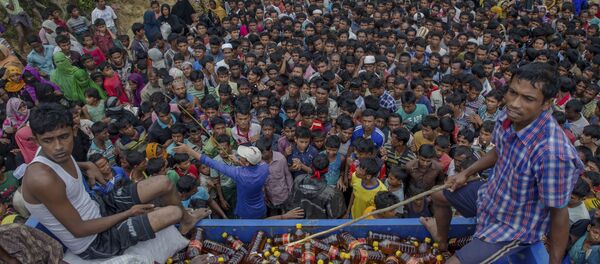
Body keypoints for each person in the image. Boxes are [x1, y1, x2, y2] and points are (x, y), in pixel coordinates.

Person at [424, 63, 585, 263]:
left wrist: (554, 262)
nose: (515, 103)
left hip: (515, 226)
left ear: (546, 104)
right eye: (512, 93)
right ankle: (441, 240)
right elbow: (499, 150)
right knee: (437, 195)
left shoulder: (553, 154)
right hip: (491, 196)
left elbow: (559, 214)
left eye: (528, 98)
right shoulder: (509, 115)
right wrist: (465, 173)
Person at [20, 103, 209, 260]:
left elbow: (61, 163)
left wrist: (87, 165)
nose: (58, 147)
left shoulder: (57, 155)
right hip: (94, 241)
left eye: (63, 137)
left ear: (74, 130)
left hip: (100, 207)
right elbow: (78, 230)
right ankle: (181, 220)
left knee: (163, 182)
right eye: (48, 140)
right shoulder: (42, 179)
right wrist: (128, 213)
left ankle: (187, 221)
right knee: (173, 211)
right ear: (36, 141)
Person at [174, 143, 269, 219]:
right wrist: (240, 162)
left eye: (242, 157)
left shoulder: (239, 173)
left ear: (247, 162)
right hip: (260, 209)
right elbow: (252, 167)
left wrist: (188, 150)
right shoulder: (264, 167)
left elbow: (212, 163)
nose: (239, 156)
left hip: (245, 213)